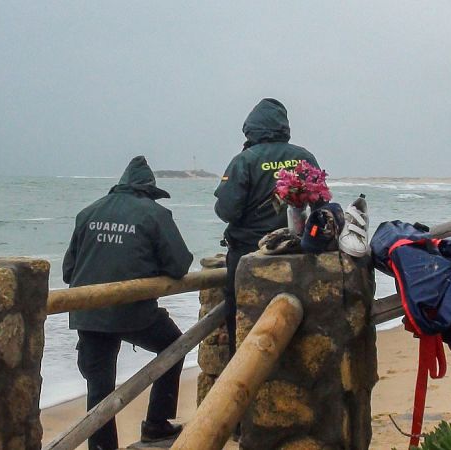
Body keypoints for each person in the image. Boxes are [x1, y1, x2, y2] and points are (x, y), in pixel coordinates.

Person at [63, 156, 193, 449]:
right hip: (134, 312)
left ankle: (101, 447)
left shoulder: (87, 213)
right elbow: (179, 265)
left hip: (88, 311)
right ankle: (156, 424)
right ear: (149, 190)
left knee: (99, 388)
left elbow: (68, 270)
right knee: (175, 345)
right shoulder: (155, 214)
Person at [214, 98, 319, 359]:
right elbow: (321, 204)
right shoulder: (304, 157)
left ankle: (237, 367)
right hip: (299, 254)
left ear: (251, 128)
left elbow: (227, 210)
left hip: (248, 254)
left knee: (239, 316)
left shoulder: (245, 160)